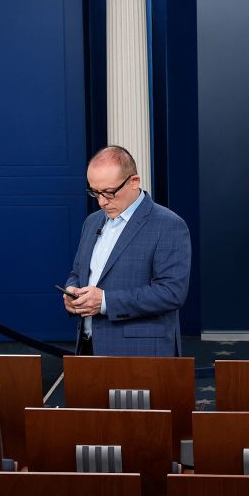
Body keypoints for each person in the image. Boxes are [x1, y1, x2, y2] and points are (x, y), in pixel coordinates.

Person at [64, 146, 191, 356]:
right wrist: (73, 292)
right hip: (87, 347)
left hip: (140, 352)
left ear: (134, 182)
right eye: (95, 192)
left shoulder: (169, 224)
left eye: (109, 192)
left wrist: (105, 302)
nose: (102, 202)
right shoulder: (91, 221)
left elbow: (172, 293)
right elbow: (78, 274)